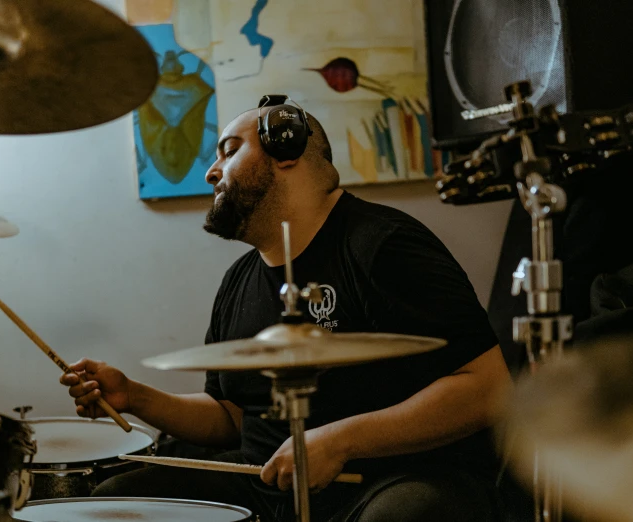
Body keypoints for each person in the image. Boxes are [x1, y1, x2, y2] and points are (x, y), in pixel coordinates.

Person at [61, 98, 513, 521]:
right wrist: (136, 397)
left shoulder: (384, 244)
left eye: (230, 151)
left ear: (287, 151)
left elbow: (484, 389)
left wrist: (339, 441)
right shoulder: (239, 279)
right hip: (263, 478)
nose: (211, 173)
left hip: (386, 479)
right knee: (115, 503)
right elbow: (232, 416)